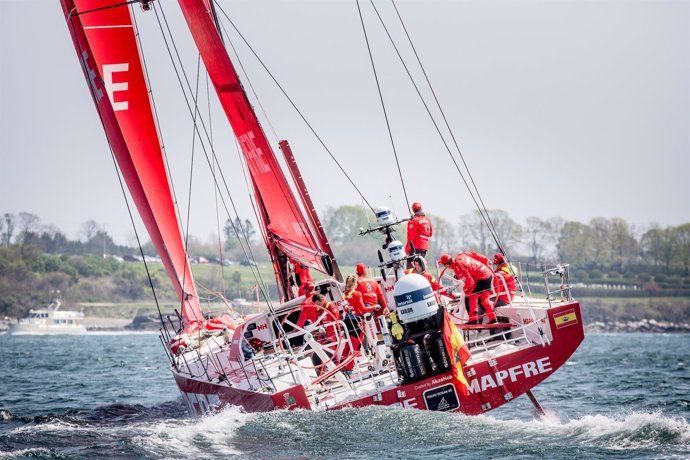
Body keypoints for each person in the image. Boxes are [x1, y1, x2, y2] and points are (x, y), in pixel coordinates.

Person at [439, 252, 497, 324]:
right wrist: (486, 260)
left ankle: (473, 320)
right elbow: (474, 254)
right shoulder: (460, 255)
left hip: (481, 278)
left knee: (469, 298)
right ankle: (493, 319)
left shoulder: (458, 267)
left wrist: (465, 289)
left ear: (447, 265)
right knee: (483, 300)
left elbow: (470, 282)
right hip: (488, 274)